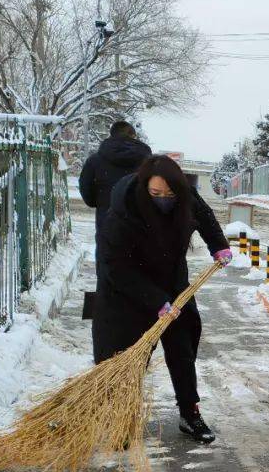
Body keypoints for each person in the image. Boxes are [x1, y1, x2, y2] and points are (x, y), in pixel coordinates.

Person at [93, 155, 232, 443]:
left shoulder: (184, 196)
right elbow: (114, 265)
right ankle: (121, 417)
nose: (164, 199)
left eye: (169, 194)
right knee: (128, 356)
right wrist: (155, 300)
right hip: (127, 290)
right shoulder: (123, 211)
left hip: (173, 283)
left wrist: (218, 246)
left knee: (182, 347)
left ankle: (189, 412)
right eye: (156, 194)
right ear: (145, 187)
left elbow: (204, 215)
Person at [79, 121, 152, 233]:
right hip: (139, 222)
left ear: (112, 134)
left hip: (107, 220)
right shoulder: (147, 161)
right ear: (133, 136)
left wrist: (99, 201)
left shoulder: (95, 160)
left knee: (108, 248)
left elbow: (86, 188)